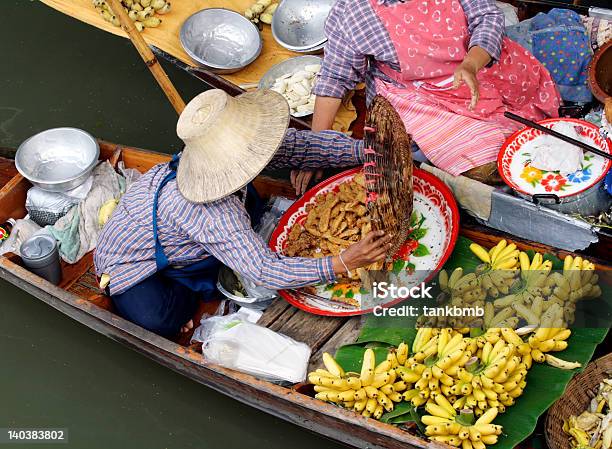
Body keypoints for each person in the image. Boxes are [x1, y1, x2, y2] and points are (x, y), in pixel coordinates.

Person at [94, 89, 389, 338]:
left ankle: (212, 262)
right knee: (160, 322)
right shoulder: (210, 208)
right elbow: (266, 271)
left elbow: (302, 147)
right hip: (129, 263)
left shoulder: (244, 143)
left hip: (183, 229)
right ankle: (190, 281)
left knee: (253, 211)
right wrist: (343, 261)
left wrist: (367, 151)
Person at [291, 0, 562, 194]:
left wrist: (471, 62)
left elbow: (487, 17)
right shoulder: (353, 12)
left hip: (477, 64)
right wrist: (316, 148)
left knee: (539, 96)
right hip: (419, 93)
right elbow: (335, 78)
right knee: (489, 163)